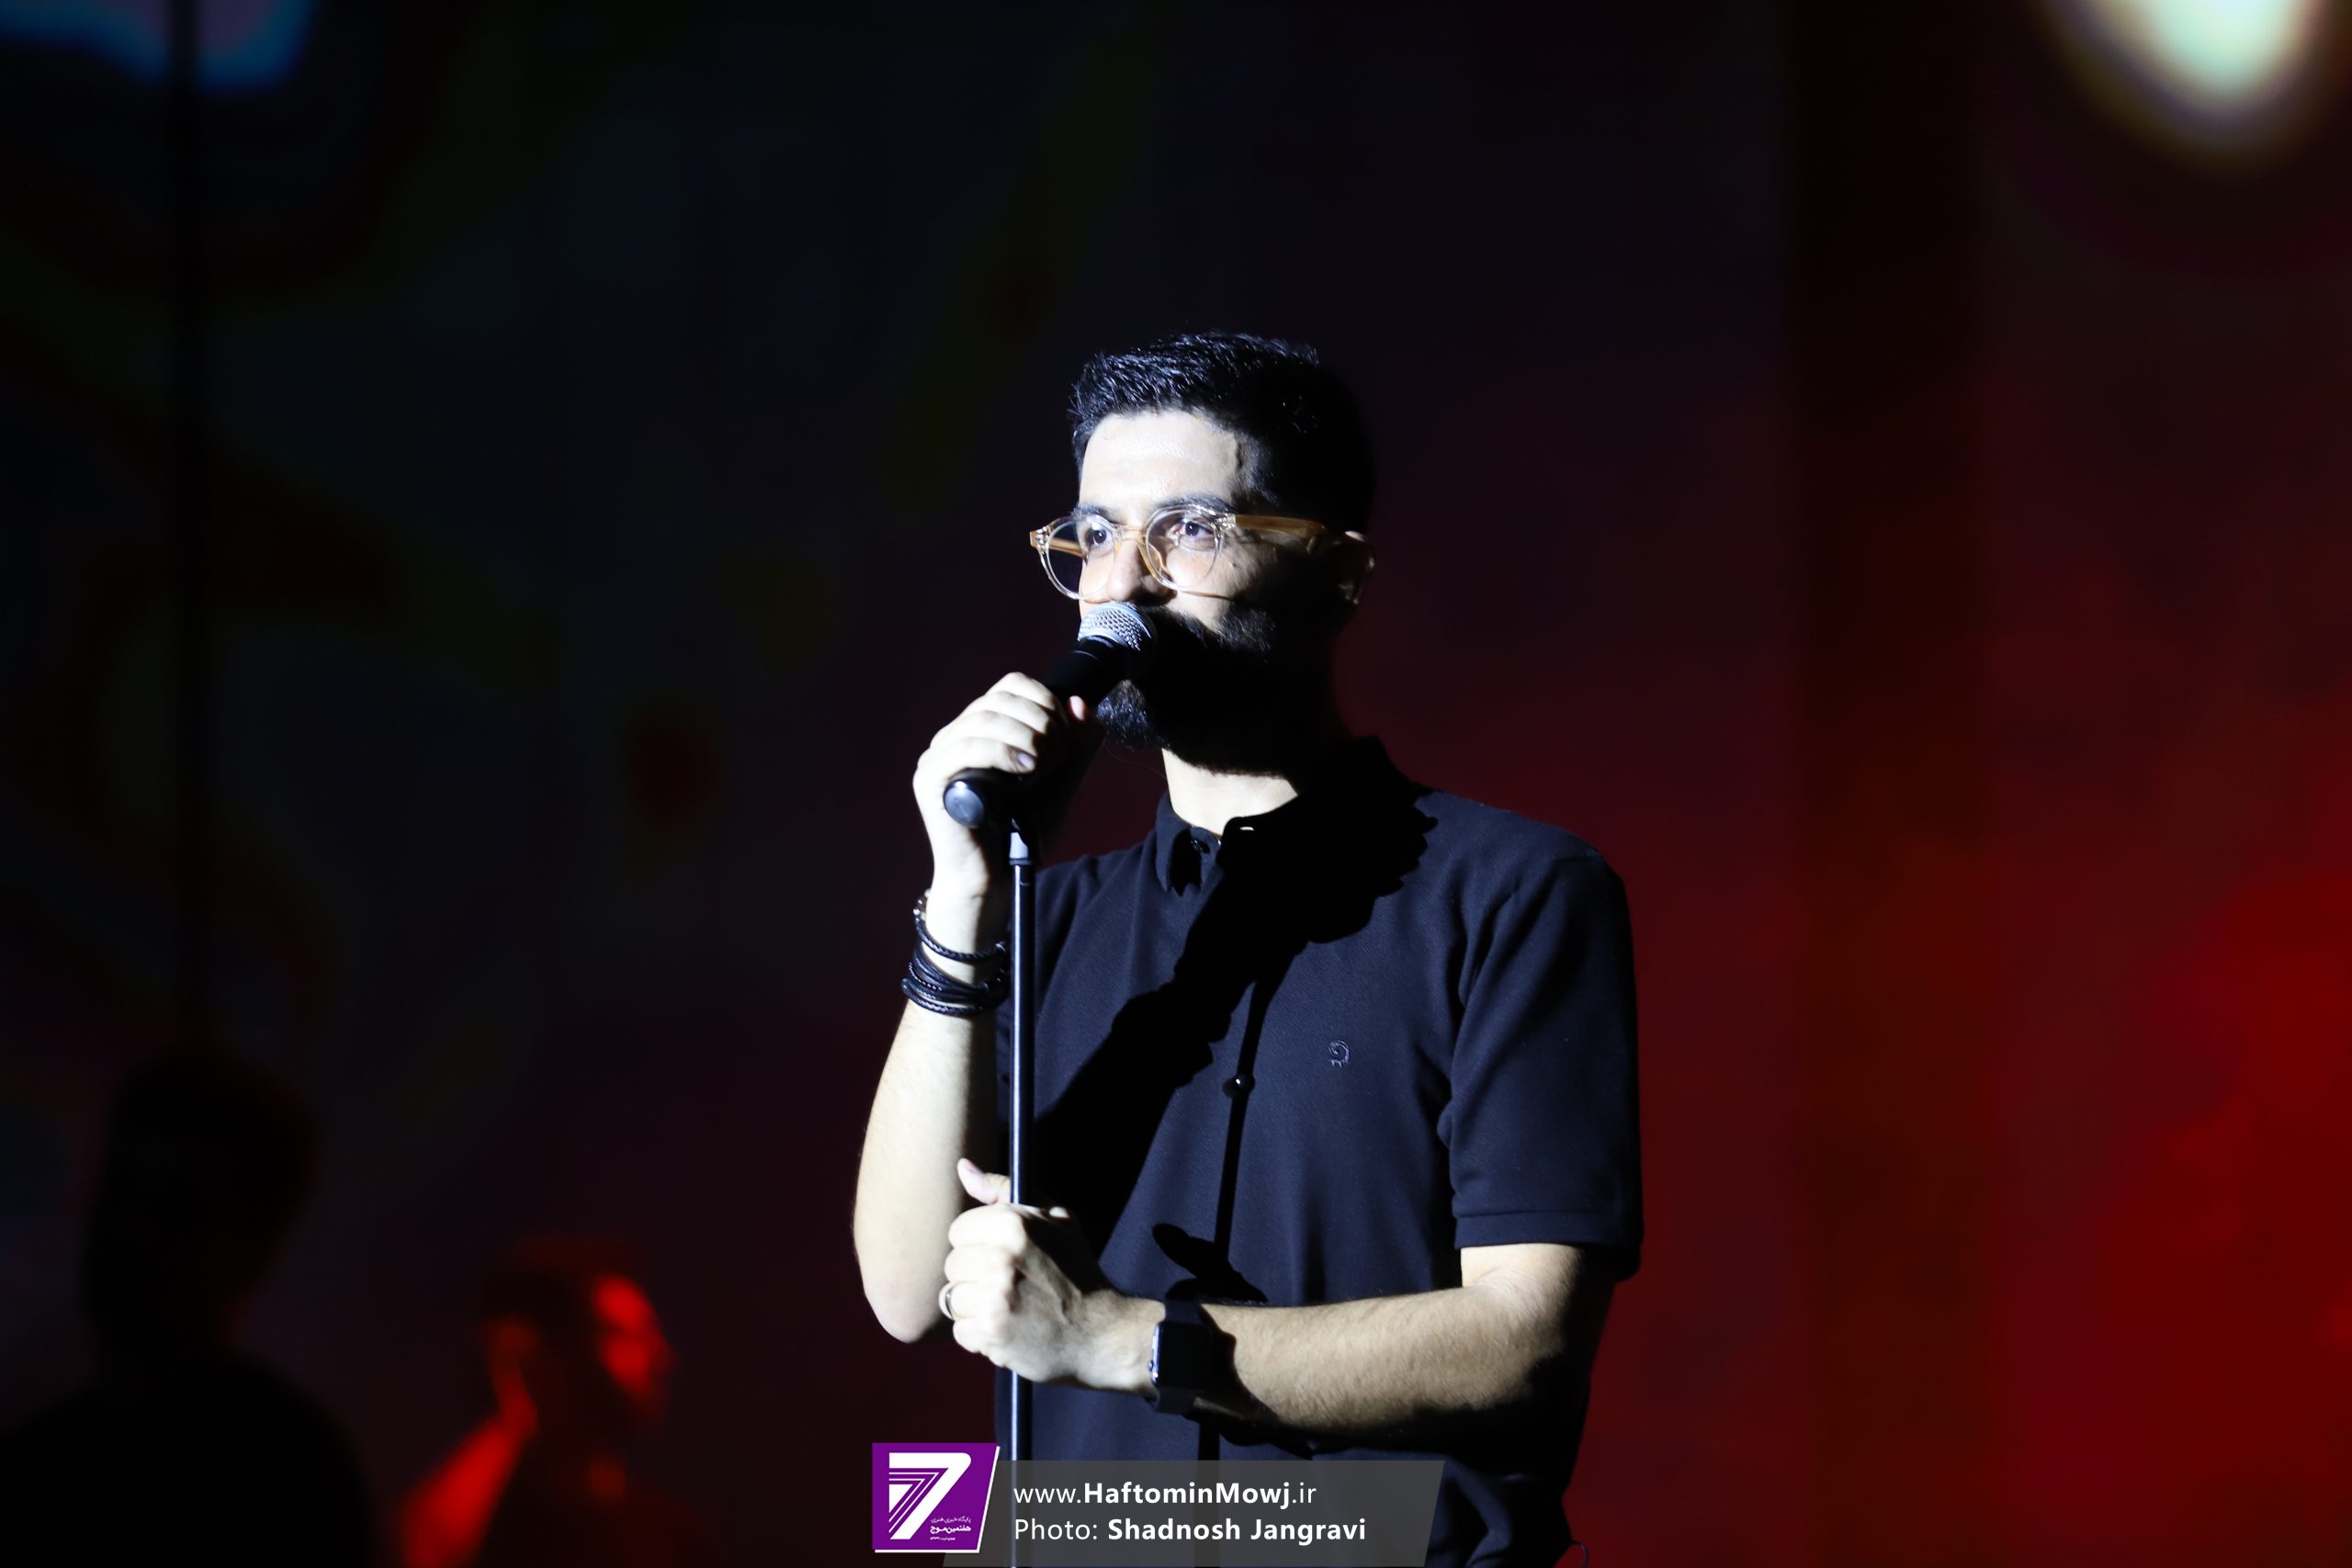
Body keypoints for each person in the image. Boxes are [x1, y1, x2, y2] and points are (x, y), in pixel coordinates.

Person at [852, 332, 1642, 1565]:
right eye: (1096, 535)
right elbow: (907, 1290)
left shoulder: (1511, 892)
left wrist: (1117, 1337)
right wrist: (961, 900)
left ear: (1339, 573)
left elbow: (1525, 1340)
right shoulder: (1045, 918)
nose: (1126, 583)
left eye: (1191, 529)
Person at [0, 1050, 371, 1568]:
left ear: (255, 1248)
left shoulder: (290, 1478)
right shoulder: (36, 1464)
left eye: (177, 1208)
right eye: (122, 1189)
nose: (132, 1229)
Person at [397, 1238, 721, 1568]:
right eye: (625, 1336)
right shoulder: (476, 1531)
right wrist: (516, 1394)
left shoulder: (675, 1539)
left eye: (652, 1334)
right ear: (541, 1357)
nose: (661, 1357)